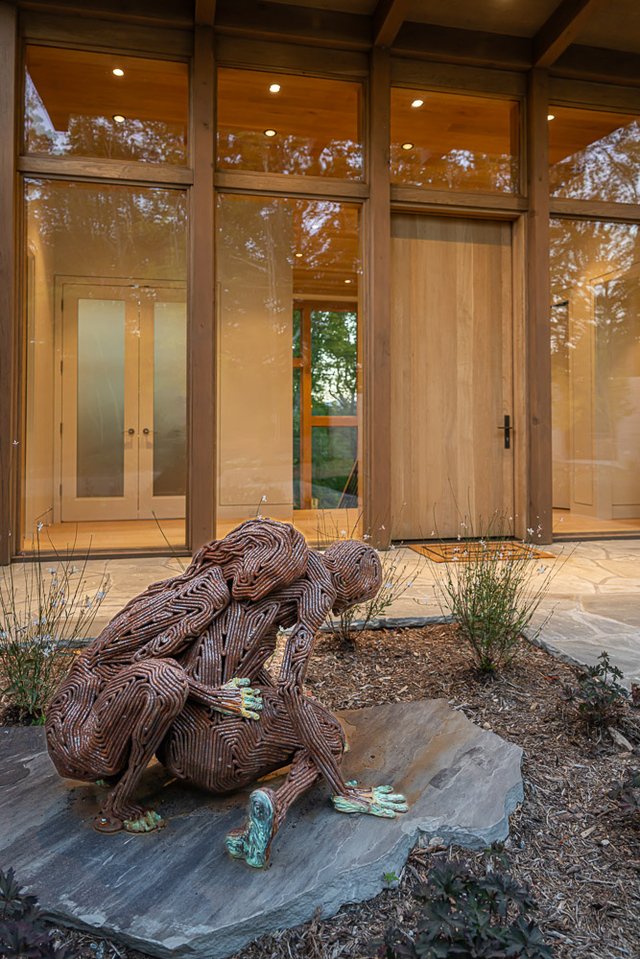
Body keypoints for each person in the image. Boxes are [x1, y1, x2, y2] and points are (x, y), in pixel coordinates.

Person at [46, 519, 407, 865]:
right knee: (328, 736)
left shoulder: (229, 588)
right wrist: (340, 785)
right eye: (352, 602)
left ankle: (269, 809)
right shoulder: (318, 588)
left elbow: (221, 661)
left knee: (315, 726)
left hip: (177, 740)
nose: (340, 610)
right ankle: (286, 805)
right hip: (215, 755)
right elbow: (290, 688)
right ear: (350, 589)